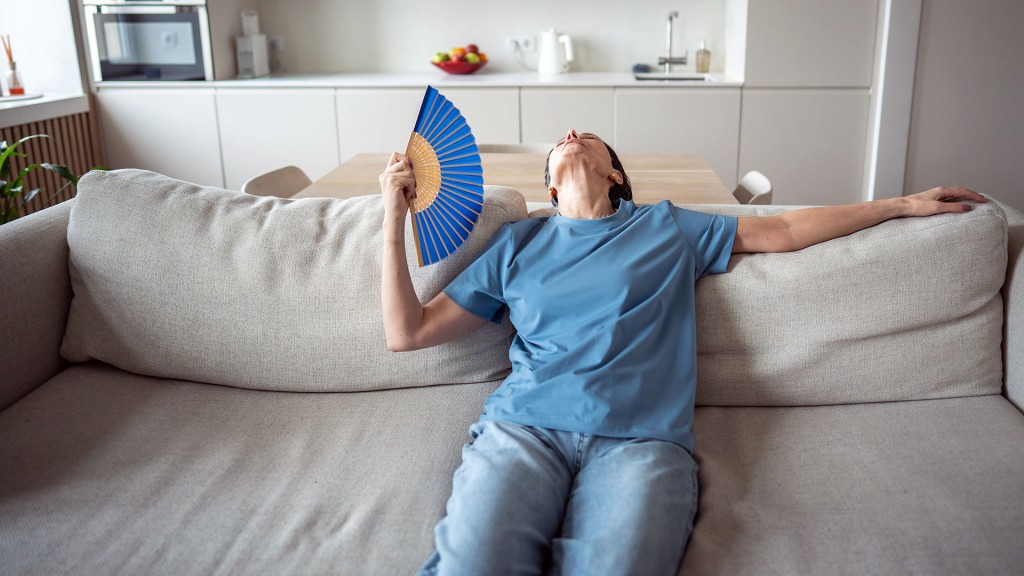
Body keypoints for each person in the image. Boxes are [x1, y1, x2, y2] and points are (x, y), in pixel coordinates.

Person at [379, 129, 984, 576]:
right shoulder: (520, 241)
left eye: (587, 137)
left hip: (641, 441)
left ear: (615, 175)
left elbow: (788, 230)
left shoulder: (666, 226)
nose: (569, 136)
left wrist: (898, 205)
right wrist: (391, 216)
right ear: (549, 185)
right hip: (524, 429)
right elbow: (406, 332)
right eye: (560, 144)